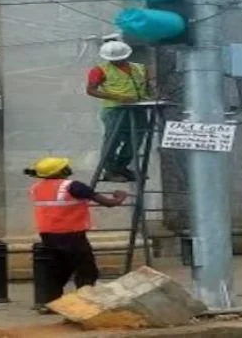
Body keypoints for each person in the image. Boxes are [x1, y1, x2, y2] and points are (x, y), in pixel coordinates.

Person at [25, 156, 128, 309]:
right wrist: (120, 196)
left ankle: (51, 304)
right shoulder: (73, 186)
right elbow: (109, 203)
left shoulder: (36, 188)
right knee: (87, 271)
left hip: (48, 236)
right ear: (62, 171)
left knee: (58, 271)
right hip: (72, 236)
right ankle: (84, 304)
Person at [86, 40, 151, 182]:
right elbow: (91, 90)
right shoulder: (100, 70)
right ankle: (109, 170)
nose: (117, 62)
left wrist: (153, 97)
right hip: (114, 109)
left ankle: (121, 167)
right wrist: (118, 97)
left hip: (138, 108)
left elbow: (147, 88)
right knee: (113, 140)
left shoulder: (140, 68)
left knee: (136, 139)